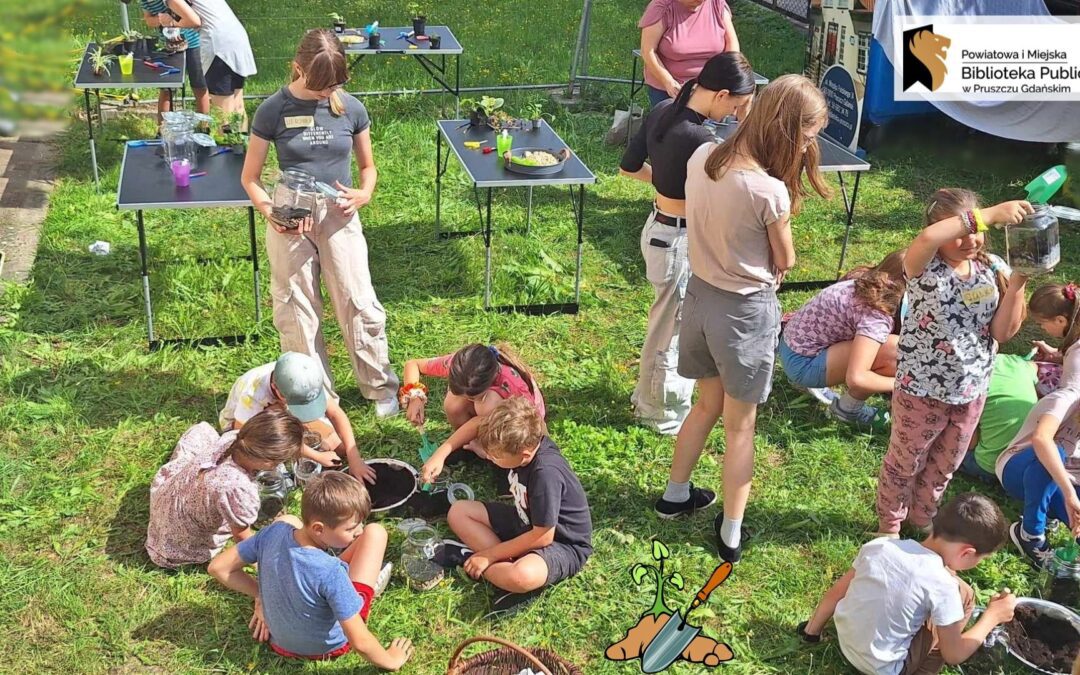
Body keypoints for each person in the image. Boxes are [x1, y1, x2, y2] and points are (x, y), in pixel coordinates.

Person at [654, 75, 831, 566]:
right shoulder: (768, 190)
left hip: (701, 299)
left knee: (704, 406)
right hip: (744, 314)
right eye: (810, 135)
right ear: (789, 131)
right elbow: (787, 259)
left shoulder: (702, 156)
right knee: (740, 428)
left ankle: (675, 494)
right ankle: (731, 531)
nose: (812, 144)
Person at [243, 29, 399, 418]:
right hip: (290, 215)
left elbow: (369, 167)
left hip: (339, 214)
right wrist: (270, 212)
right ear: (297, 69)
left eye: (333, 86)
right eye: (318, 88)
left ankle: (379, 388)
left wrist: (364, 193)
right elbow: (250, 177)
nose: (325, 94)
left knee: (358, 301)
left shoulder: (352, 108)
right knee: (297, 309)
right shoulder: (271, 111)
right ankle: (316, 398)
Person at [875, 190, 1031, 537]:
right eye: (960, 232)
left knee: (945, 465)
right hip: (921, 390)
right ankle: (890, 526)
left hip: (970, 393)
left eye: (977, 231)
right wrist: (989, 214)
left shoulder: (990, 268)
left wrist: (1020, 280)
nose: (970, 239)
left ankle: (921, 516)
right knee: (905, 462)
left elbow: (1002, 332)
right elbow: (930, 238)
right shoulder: (923, 266)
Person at [619, 52, 756, 435]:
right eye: (736, 105)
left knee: (662, 323)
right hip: (679, 240)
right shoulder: (701, 139)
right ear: (722, 93)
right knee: (673, 332)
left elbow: (628, 167)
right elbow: (738, 184)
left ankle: (646, 398)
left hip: (658, 229)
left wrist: (664, 184)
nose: (734, 114)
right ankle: (660, 415)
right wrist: (748, 124)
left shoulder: (664, 108)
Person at [797, 493, 1017, 675]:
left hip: (847, 643)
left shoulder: (880, 546)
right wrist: (992, 617)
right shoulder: (944, 586)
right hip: (883, 669)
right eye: (980, 559)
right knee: (965, 595)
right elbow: (954, 655)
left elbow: (835, 593)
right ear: (967, 553)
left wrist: (811, 632)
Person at [208, 473, 411, 668]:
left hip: (279, 642)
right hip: (329, 647)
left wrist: (262, 594)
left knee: (286, 520)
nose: (358, 531)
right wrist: (391, 660)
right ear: (318, 529)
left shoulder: (271, 533)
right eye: (350, 528)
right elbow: (360, 641)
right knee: (375, 533)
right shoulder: (331, 571)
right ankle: (357, 590)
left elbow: (218, 567)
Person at [440, 397, 593, 615]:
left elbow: (543, 537)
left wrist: (490, 554)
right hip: (525, 520)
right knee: (458, 512)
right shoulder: (525, 443)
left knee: (521, 576)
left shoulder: (545, 473)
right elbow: (478, 425)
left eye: (496, 456)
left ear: (525, 455)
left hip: (561, 543)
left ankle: (470, 557)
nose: (491, 459)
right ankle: (497, 566)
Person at [146, 408, 303, 568]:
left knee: (202, 432)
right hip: (179, 544)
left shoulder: (235, 438)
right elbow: (243, 537)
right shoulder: (237, 488)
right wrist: (265, 567)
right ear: (269, 461)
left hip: (170, 502)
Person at [998, 282, 1080, 566]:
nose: (1043, 328)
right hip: (1021, 464)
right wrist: (1070, 495)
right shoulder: (1068, 397)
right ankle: (1030, 534)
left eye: (1043, 323)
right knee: (1053, 452)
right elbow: (1042, 441)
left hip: (1066, 471)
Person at [780, 250, 906, 431]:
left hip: (792, 347)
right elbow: (857, 378)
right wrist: (905, 385)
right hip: (802, 364)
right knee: (897, 352)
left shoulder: (862, 283)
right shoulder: (876, 315)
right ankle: (847, 410)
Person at [219, 352, 377, 484]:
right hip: (250, 427)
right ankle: (287, 456)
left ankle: (293, 443)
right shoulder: (254, 394)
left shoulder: (306, 379)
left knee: (339, 447)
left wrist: (354, 456)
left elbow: (336, 413)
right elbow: (243, 436)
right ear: (275, 389)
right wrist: (316, 456)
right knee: (265, 459)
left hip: (284, 412)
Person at [409, 343, 546, 485]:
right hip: (496, 414)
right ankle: (471, 445)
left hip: (517, 424)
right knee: (453, 403)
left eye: (475, 397)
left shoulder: (513, 386)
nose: (469, 401)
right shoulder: (463, 367)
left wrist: (442, 452)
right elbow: (413, 365)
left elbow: (535, 430)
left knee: (487, 406)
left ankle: (501, 459)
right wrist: (415, 397)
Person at [160, 0, 255, 121]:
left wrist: (171, 22)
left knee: (224, 111)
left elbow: (194, 21)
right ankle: (241, 138)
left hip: (219, 46)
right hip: (236, 38)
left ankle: (228, 139)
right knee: (237, 106)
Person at [638, 0, 741, 107]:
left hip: (711, 87)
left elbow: (732, 45)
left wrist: (727, 75)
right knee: (672, 122)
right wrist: (668, 82)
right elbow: (648, 50)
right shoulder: (661, 7)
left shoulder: (717, 3)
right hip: (671, 88)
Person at [139, 0, 210, 118]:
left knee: (200, 86)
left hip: (194, 43)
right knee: (167, 88)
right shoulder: (144, 1)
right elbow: (148, 19)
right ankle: (162, 130)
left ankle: (203, 127)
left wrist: (173, 20)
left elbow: (191, 17)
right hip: (169, 46)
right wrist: (161, 20)